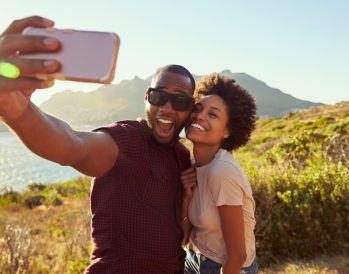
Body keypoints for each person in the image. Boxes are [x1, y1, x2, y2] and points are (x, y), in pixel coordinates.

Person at [0, 16, 196, 273]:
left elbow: (181, 238)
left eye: (180, 101)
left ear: (191, 109)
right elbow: (74, 145)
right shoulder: (127, 140)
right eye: (159, 96)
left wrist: (188, 199)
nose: (167, 108)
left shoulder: (181, 155)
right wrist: (17, 113)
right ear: (147, 98)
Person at [181, 74, 258, 274]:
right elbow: (184, 238)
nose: (200, 116)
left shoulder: (222, 171)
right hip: (193, 259)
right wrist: (187, 197)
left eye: (212, 115)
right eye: (198, 109)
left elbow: (237, 256)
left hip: (223, 267)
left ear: (227, 131)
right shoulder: (192, 165)